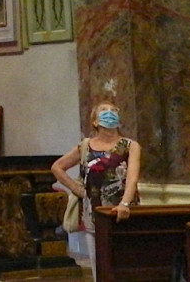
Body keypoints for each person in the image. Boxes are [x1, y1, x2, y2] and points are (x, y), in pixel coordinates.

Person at [51, 100, 141, 280]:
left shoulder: (130, 145)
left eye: (113, 110)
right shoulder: (85, 146)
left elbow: (132, 177)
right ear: (94, 121)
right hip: (94, 212)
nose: (110, 113)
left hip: (123, 209)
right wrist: (76, 189)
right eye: (104, 111)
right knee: (99, 265)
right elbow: (57, 167)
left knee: (127, 264)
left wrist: (125, 203)